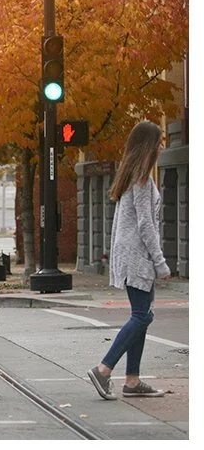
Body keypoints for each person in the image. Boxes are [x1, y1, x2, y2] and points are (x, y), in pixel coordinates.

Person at [87, 120, 171, 400]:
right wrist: (160, 262)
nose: (162, 146)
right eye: (159, 140)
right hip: (138, 256)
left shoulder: (133, 175)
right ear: (149, 144)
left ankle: (133, 380)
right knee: (141, 315)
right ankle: (104, 369)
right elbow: (146, 225)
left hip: (131, 253)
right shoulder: (142, 179)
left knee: (143, 316)